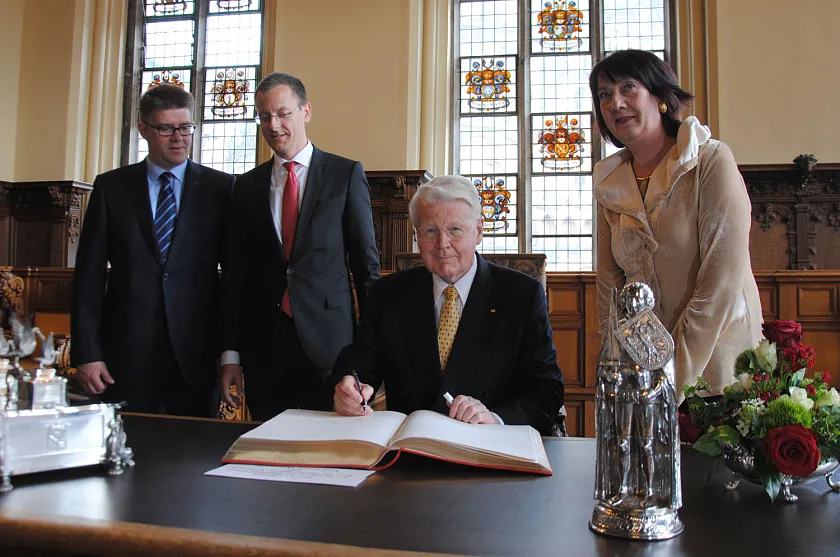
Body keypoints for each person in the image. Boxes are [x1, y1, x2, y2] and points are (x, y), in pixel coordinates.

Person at [330, 176, 564, 434]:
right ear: (417, 236)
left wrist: (495, 419)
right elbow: (359, 365)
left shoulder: (521, 295)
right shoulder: (388, 294)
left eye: (455, 230)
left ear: (479, 231)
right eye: (430, 231)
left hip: (488, 450)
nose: (443, 244)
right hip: (411, 453)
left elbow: (547, 392)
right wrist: (349, 387)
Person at [590, 49, 763, 396]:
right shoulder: (610, 183)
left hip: (719, 365)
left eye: (628, 88)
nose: (615, 103)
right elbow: (610, 287)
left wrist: (672, 376)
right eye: (605, 95)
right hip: (643, 368)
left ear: (659, 96)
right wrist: (619, 363)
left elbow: (722, 282)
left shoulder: (709, 160)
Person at [220, 72, 380, 421]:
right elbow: (235, 277)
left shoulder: (345, 174)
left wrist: (369, 355)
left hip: (331, 349)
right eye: (264, 116)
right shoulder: (245, 188)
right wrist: (230, 354)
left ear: (305, 111)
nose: (273, 125)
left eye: (283, 113)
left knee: (329, 453)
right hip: (264, 349)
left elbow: (366, 268)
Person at [71, 84, 235, 416]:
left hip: (196, 358)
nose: (179, 137)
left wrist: (230, 355)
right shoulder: (111, 188)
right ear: (144, 130)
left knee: (190, 459)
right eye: (166, 128)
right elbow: (87, 279)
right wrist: (88, 354)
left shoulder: (221, 189)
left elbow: (233, 278)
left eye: (185, 127)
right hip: (125, 358)